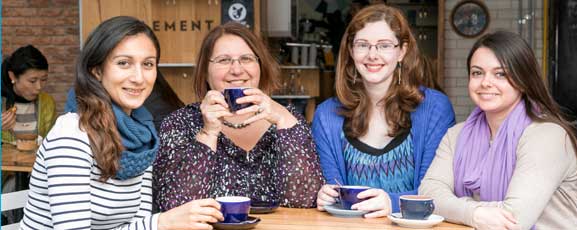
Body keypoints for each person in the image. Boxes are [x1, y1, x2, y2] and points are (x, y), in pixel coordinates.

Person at [20, 16, 223, 230]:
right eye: (123, 63)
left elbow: (137, 224)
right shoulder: (71, 134)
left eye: (148, 64)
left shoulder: (142, 135)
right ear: (96, 71)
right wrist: (162, 222)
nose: (138, 77)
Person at [419, 31, 577, 229]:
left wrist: (453, 206)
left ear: (523, 80)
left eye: (500, 74)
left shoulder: (547, 136)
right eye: (477, 72)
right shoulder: (457, 135)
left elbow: (514, 220)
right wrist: (473, 213)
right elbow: (427, 194)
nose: (485, 82)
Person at [153, 22, 324, 212]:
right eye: (224, 60)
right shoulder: (179, 123)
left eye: (246, 58)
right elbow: (176, 207)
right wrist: (208, 133)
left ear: (261, 67)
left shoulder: (290, 120)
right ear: (205, 72)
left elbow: (305, 199)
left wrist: (284, 119)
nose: (236, 70)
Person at [313, 4, 455, 218]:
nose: (372, 55)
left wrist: (393, 202)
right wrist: (327, 195)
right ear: (351, 50)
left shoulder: (435, 108)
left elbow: (436, 193)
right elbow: (336, 191)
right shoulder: (326, 115)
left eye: (384, 45)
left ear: (402, 51)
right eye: (362, 45)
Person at [1, 44, 56, 144]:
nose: (39, 87)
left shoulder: (47, 103)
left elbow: (52, 142)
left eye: (43, 79)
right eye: (32, 81)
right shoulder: (2, 102)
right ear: (12, 76)